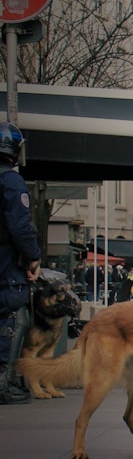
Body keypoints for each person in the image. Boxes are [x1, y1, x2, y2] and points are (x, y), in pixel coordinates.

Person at [0, 122, 42, 405]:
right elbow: (20, 226)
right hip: (5, 261)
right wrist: (33, 256)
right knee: (12, 317)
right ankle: (4, 383)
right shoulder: (11, 182)